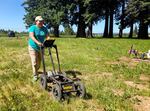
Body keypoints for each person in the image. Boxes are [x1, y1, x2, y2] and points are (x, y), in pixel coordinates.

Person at [28, 16, 50, 81]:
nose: (41, 22)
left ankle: (36, 70)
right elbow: (31, 36)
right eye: (40, 21)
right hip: (33, 46)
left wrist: (48, 40)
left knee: (39, 61)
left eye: (42, 21)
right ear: (36, 21)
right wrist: (37, 42)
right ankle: (35, 75)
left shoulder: (44, 28)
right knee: (34, 61)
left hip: (41, 47)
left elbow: (47, 36)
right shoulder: (33, 27)